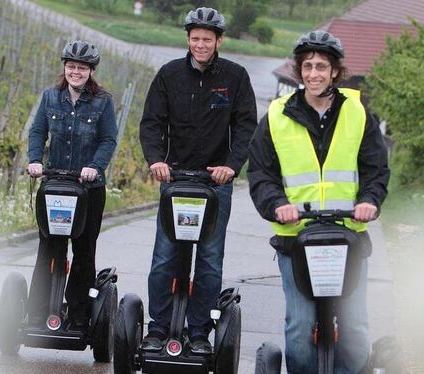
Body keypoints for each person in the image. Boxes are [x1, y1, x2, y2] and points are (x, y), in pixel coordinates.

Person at [247, 30, 390, 373]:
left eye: (321, 66)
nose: (314, 73)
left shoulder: (357, 112)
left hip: (348, 235)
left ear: (335, 72)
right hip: (296, 236)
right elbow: (261, 173)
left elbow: (376, 168)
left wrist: (369, 200)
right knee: (299, 329)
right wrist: (276, 204)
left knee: (354, 330)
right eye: (308, 66)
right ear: (299, 70)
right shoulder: (278, 115)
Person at [139, 7, 258, 354]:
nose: (201, 44)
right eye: (195, 38)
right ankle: (158, 328)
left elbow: (246, 126)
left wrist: (232, 166)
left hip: (215, 184)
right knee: (165, 256)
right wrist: (156, 160)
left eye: (207, 39)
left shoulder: (235, 77)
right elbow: (151, 123)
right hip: (174, 180)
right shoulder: (169, 75)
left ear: (219, 40)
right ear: (188, 39)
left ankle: (199, 333)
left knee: (208, 258)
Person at [26, 40, 117, 328]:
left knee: (84, 250)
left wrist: (94, 167)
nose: (75, 72)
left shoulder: (103, 101)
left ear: (91, 70)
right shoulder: (51, 97)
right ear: (64, 67)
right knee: (49, 248)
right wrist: (34, 160)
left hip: (88, 189)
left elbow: (108, 140)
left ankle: (78, 314)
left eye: (81, 68)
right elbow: (38, 131)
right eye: (71, 66)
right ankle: (38, 312)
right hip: (54, 185)